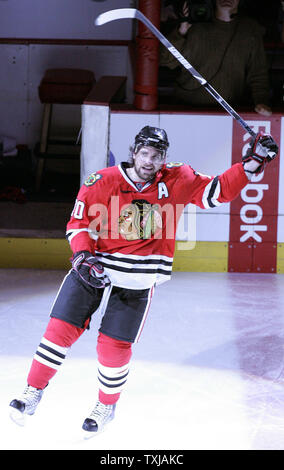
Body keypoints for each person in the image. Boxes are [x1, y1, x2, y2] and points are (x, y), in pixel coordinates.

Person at [9, 125, 278, 435]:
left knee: (112, 348)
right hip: (94, 267)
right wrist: (84, 256)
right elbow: (78, 225)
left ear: (164, 158)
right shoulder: (103, 180)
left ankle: (106, 405)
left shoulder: (179, 178)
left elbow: (217, 192)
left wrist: (252, 163)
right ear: (134, 153)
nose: (150, 161)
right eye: (145, 153)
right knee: (58, 332)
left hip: (138, 277)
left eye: (157, 156)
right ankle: (32, 391)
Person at [160, 0, 272, 116]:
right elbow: (166, 61)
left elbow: (258, 74)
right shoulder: (194, 25)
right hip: (185, 108)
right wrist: (182, 30)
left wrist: (261, 102)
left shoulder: (249, 29)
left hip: (229, 112)